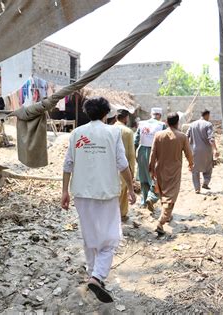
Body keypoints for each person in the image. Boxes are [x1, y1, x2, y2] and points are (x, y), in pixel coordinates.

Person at [61, 97, 136, 303]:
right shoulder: (113, 132)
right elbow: (123, 164)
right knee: (110, 238)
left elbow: (67, 164)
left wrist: (64, 192)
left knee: (90, 235)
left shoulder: (77, 133)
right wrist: (130, 189)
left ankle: (93, 272)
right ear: (106, 114)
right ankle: (97, 277)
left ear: (87, 113)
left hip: (82, 194)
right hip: (106, 193)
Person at [149, 112, 193, 235]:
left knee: (165, 194)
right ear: (178, 122)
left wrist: (151, 169)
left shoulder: (158, 135)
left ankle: (167, 215)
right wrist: (191, 163)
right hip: (174, 171)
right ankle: (161, 222)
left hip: (160, 169)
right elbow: (189, 153)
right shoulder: (182, 136)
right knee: (170, 196)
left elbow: (153, 154)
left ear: (166, 122)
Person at [134, 107, 166, 212]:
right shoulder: (162, 125)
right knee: (156, 178)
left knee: (143, 178)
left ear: (151, 114)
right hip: (156, 153)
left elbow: (136, 140)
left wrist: (136, 154)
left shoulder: (142, 124)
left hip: (142, 152)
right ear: (160, 116)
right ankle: (151, 198)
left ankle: (143, 201)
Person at [185, 110, 220, 194]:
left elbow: (186, 136)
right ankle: (205, 182)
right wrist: (215, 149)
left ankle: (197, 188)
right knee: (208, 167)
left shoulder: (192, 124)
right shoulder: (208, 124)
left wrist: (187, 148)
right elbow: (211, 138)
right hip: (206, 151)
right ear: (207, 115)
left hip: (194, 150)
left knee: (195, 169)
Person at [114, 109, 136, 222]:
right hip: (123, 165)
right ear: (126, 118)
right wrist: (132, 171)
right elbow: (131, 154)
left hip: (109, 166)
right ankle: (121, 214)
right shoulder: (127, 132)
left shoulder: (109, 129)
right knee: (123, 191)